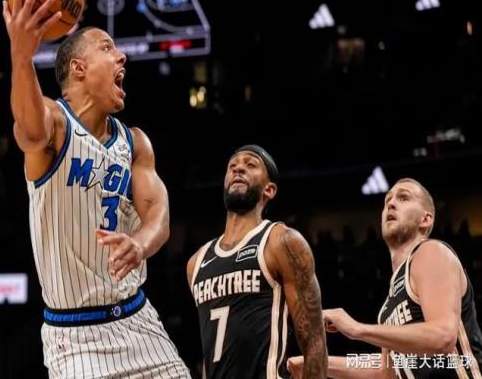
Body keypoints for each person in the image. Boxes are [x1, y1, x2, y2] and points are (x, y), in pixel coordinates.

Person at [2, 0, 191, 378]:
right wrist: (21, 55)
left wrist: (139, 244)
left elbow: (159, 216)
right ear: (79, 68)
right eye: (107, 48)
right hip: (75, 337)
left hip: (139, 321)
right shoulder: (55, 125)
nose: (121, 57)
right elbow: (29, 130)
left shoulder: (135, 142)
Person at [287, 178, 482, 378]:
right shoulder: (388, 308)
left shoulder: (431, 252)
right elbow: (386, 371)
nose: (391, 203)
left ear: (425, 219)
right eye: (388, 200)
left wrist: (357, 329)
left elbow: (443, 336)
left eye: (404, 198)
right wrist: (318, 362)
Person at [186, 145, 328, 378]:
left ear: (269, 190)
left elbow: (315, 343)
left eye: (250, 164)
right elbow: (210, 351)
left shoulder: (281, 242)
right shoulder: (196, 262)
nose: (238, 168)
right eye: (232, 166)